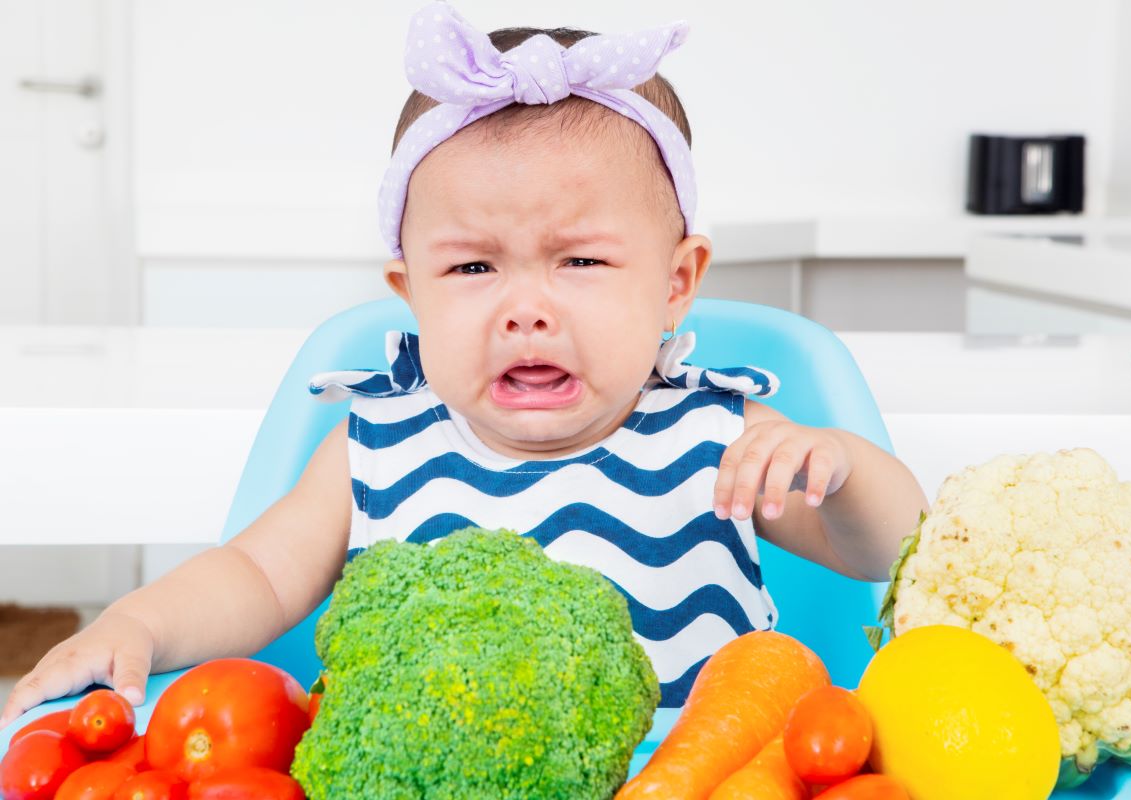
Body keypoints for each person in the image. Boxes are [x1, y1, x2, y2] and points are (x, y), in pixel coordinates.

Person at [0, 3, 929, 727]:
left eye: (580, 261)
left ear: (676, 284)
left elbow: (891, 554)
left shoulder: (719, 439)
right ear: (410, 293)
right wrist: (138, 624)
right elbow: (256, 575)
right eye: (473, 268)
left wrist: (841, 472)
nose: (526, 307)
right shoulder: (378, 444)